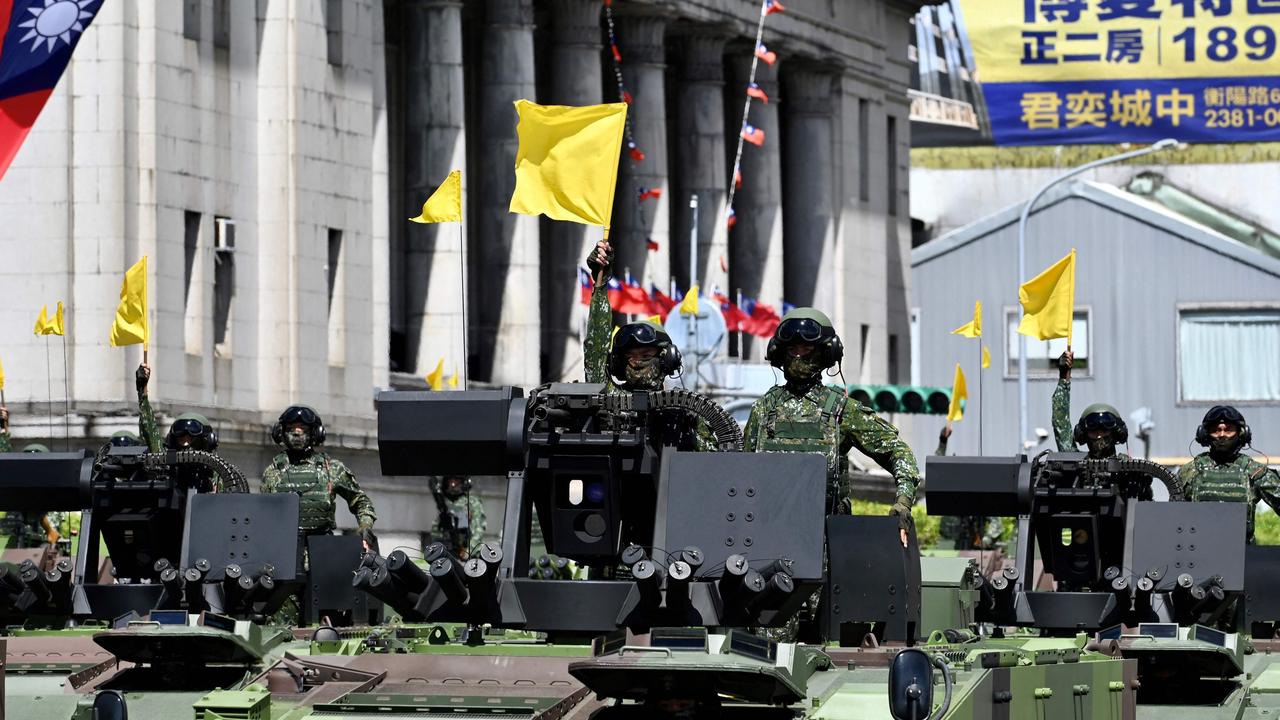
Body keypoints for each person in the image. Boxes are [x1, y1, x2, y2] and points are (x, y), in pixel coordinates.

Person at [743, 307, 921, 547]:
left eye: (806, 348)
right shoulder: (764, 409)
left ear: (826, 353)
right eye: (792, 349)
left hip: (827, 545)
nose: (798, 355)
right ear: (780, 353)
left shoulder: (841, 410)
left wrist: (902, 504)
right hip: (768, 539)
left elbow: (898, 452)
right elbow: (741, 472)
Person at [582, 239, 716, 451]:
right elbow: (595, 347)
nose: (636, 363)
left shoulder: (685, 408)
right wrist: (601, 282)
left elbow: (717, 461)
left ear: (667, 359)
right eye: (630, 357)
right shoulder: (609, 398)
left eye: (645, 355)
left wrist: (687, 434)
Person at [260, 405, 377, 550]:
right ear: (280, 433)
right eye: (291, 428)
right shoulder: (273, 472)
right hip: (284, 550)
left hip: (322, 550)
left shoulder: (331, 470)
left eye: (303, 428)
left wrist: (365, 529)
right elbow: (263, 515)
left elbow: (361, 502)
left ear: (316, 433)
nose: (297, 433)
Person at [1179, 405, 1280, 544]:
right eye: (1216, 430)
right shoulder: (1190, 471)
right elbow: (1173, 518)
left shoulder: (1255, 471)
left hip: (1244, 556)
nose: (1221, 435)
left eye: (1228, 430)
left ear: (1241, 433)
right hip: (1197, 555)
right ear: (1204, 434)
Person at [1052, 350, 1128, 459]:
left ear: (1116, 433)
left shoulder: (1128, 468)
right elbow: (1060, 422)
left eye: (1104, 430)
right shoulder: (1077, 465)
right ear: (1083, 435)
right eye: (1093, 431)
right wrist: (1064, 376)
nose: (1098, 435)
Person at [935, 425, 1001, 550]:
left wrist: (985, 541)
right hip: (948, 543)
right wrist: (943, 441)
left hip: (973, 547)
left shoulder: (980, 495)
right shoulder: (949, 487)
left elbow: (996, 523)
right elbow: (937, 467)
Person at [430, 475, 485, 559]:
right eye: (450, 479)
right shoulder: (444, 503)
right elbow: (436, 532)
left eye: (456, 479)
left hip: (467, 553)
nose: (452, 483)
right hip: (446, 552)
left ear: (463, 482)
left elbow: (479, 529)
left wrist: (468, 551)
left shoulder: (472, 502)